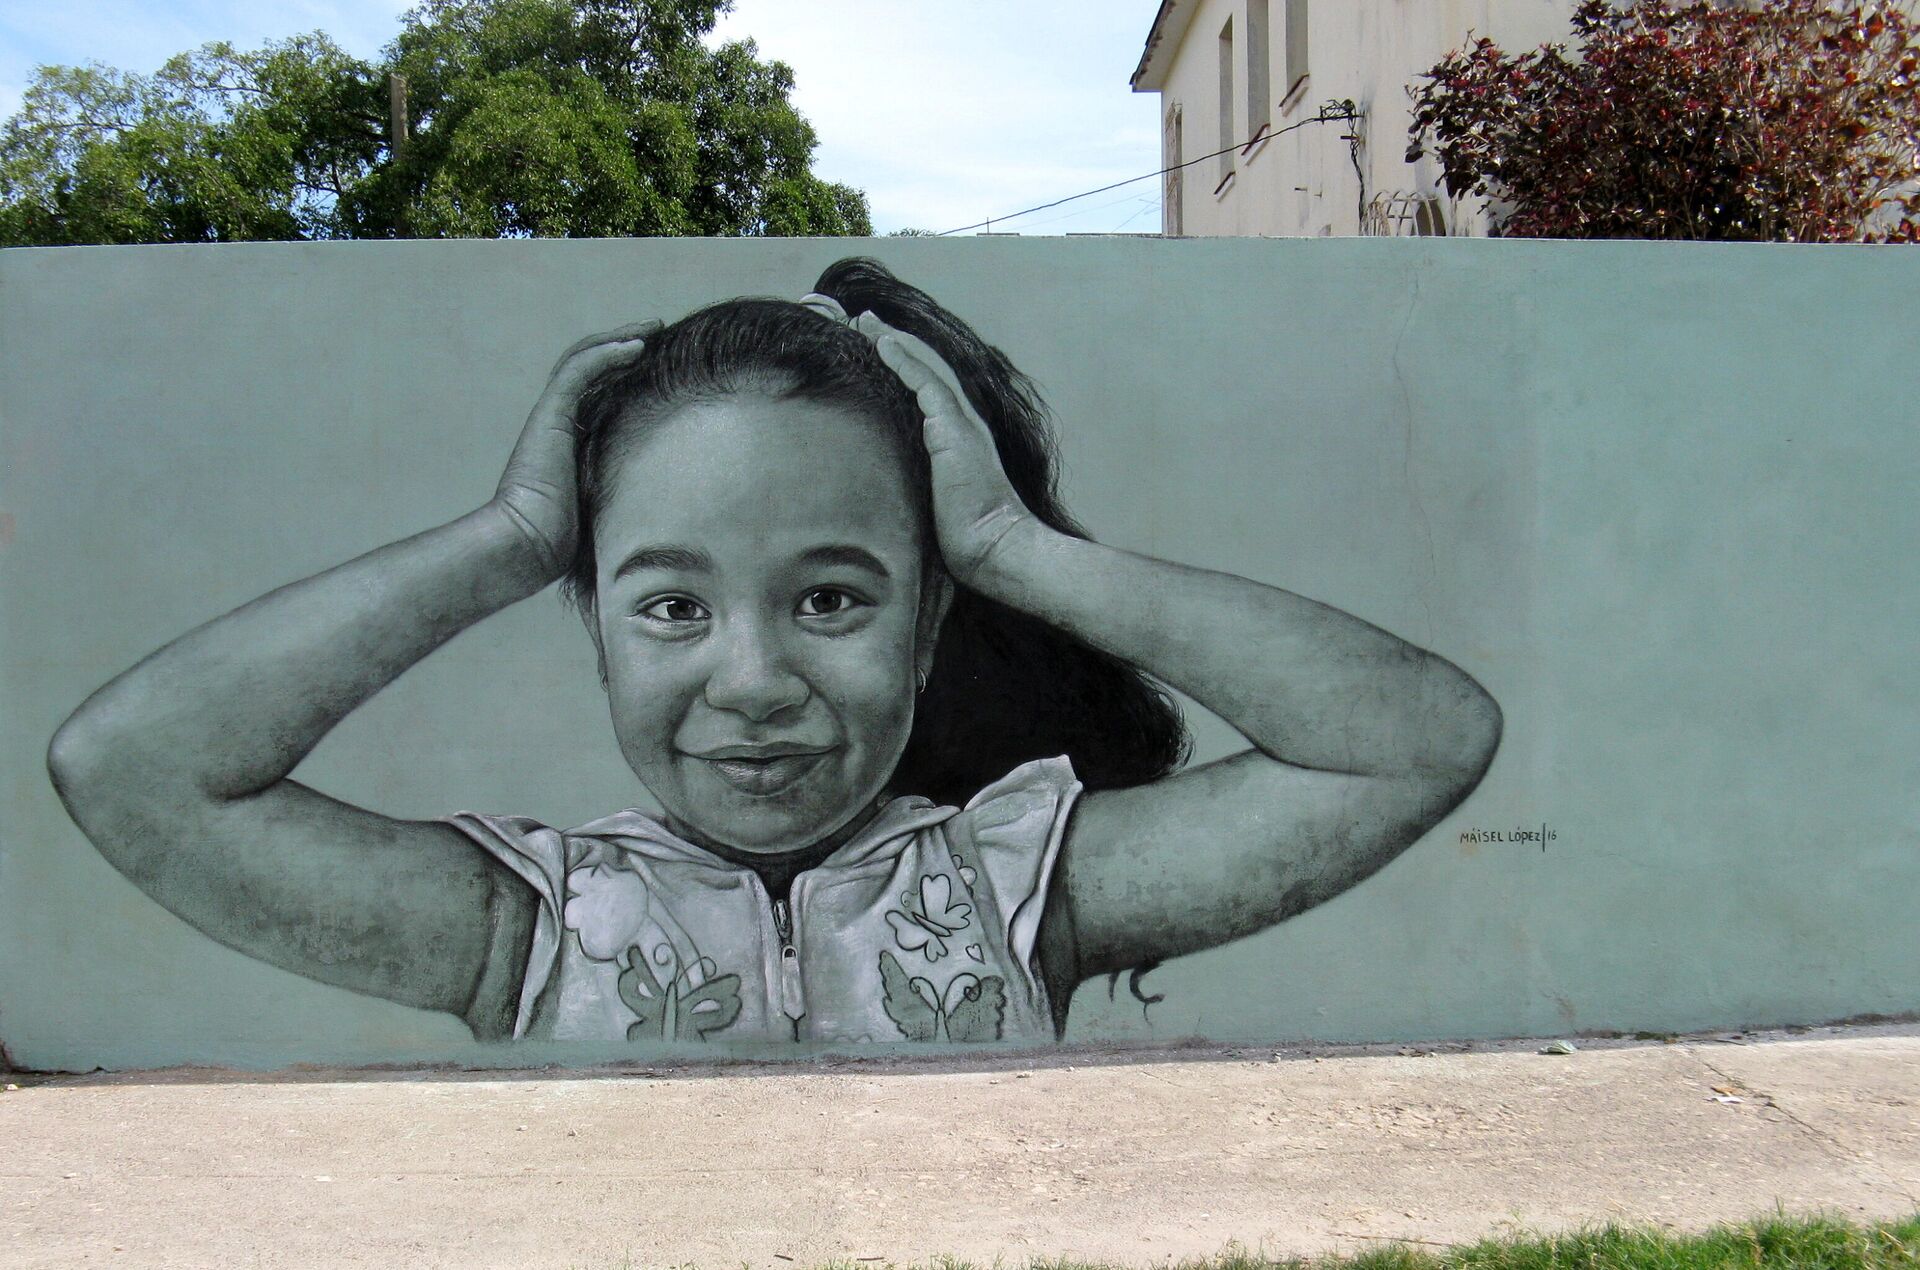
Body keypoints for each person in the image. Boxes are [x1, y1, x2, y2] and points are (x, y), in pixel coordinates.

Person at [46, 257, 1502, 1048]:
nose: (751, 682)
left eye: (831, 600)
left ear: (927, 618)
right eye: (671, 605)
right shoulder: (530, 927)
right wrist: (506, 535)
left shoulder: (1014, 893)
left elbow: (1415, 738)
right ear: (593, 616)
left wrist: (1016, 556)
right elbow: (130, 770)